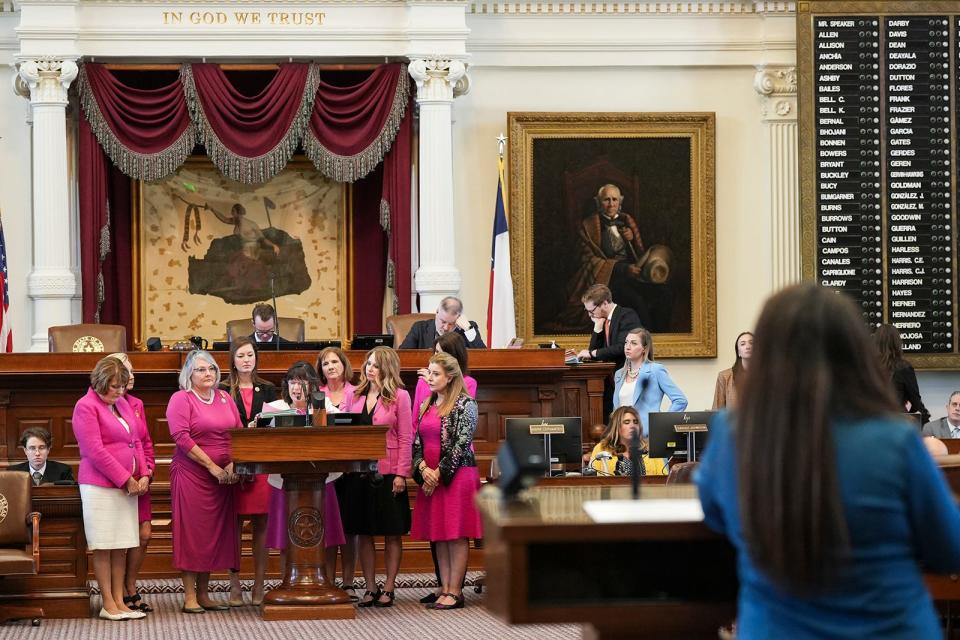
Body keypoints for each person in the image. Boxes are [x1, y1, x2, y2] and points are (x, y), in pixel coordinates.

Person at [696, 283, 960, 638]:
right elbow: (948, 549)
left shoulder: (732, 434)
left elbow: (716, 523)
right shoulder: (894, 438)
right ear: (854, 352)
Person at [72, 356, 147, 621]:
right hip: (100, 486)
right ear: (100, 382)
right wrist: (126, 478)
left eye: (122, 386)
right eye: (114, 386)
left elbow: (136, 440)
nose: (119, 391)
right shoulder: (86, 407)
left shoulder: (123, 403)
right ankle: (107, 603)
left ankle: (120, 601)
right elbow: (95, 451)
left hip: (129, 486)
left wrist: (145, 473)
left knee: (121, 545)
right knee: (104, 545)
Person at [166, 350, 241, 613]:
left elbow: (237, 433)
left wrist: (232, 462)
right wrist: (211, 466)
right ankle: (189, 597)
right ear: (189, 374)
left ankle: (205, 594)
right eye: (200, 369)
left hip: (224, 477)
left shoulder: (224, 397)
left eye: (210, 368)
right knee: (193, 535)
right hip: (192, 474)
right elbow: (181, 437)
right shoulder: (181, 399)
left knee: (213, 535)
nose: (207, 373)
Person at [411, 352, 483, 610]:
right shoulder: (426, 403)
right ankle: (444, 588)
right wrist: (422, 470)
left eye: (435, 373)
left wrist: (438, 474)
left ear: (450, 376)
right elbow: (416, 441)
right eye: (429, 372)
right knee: (439, 533)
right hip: (430, 476)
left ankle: (456, 590)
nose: (429, 378)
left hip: (457, 476)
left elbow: (461, 445)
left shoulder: (466, 404)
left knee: (455, 533)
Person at [262, 362, 347, 579]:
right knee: (286, 537)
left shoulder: (324, 406)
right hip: (285, 482)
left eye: (302, 382)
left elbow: (344, 429)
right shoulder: (274, 408)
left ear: (313, 386)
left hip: (321, 481)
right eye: (292, 382)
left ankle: (327, 582)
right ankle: (287, 580)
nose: (296, 387)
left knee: (325, 537)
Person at [348, 346, 413, 608]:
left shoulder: (400, 396)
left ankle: (389, 587)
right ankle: (370, 586)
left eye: (375, 365)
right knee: (364, 531)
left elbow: (407, 437)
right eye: (368, 364)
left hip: (388, 472)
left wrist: (401, 473)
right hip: (359, 472)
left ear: (387, 368)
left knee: (391, 532)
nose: (369, 369)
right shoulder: (354, 394)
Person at [566, 184, 672, 331]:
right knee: (636, 301)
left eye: (614, 199)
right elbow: (587, 260)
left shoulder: (628, 221)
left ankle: (663, 340)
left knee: (663, 293)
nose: (611, 204)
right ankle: (646, 339)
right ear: (598, 202)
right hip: (609, 280)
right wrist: (621, 268)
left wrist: (632, 239)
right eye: (606, 200)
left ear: (620, 202)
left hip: (635, 274)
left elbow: (639, 253)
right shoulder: (588, 227)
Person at [222, 337, 277, 607]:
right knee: (234, 526)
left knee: (261, 526)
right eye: (241, 355)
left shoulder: (268, 390)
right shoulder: (221, 389)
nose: (246, 360)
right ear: (232, 359)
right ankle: (234, 585)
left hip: (261, 465)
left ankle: (258, 583)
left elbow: (278, 424)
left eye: (250, 355)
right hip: (230, 462)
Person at [109, 353, 156, 615]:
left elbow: (145, 442)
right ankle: (119, 592)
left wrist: (147, 473)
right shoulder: (102, 403)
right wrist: (125, 478)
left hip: (141, 481)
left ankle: (130, 583)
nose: (132, 375)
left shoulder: (136, 404)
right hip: (116, 481)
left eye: (132, 370)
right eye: (126, 370)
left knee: (144, 534)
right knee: (118, 539)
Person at [613, 326, 686, 475]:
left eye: (633, 343)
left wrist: (660, 426)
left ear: (644, 348)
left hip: (648, 439)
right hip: (623, 442)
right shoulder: (619, 374)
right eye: (626, 342)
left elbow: (680, 400)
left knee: (654, 483)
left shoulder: (655, 370)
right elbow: (617, 408)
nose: (628, 347)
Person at [316, 347, 358, 597]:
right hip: (324, 470)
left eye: (334, 361)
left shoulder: (357, 392)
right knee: (328, 527)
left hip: (350, 468)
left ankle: (349, 582)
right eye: (325, 363)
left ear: (343, 365)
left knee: (350, 528)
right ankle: (328, 581)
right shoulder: (316, 394)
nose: (330, 366)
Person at [575, 284, 642, 369]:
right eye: (587, 311)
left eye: (591, 311)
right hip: (609, 375)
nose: (589, 315)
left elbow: (623, 347)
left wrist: (592, 353)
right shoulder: (602, 320)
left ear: (605, 304)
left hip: (626, 374)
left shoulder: (627, 315)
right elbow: (593, 352)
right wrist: (597, 329)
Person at [874, 323, 930, 424]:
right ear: (897, 343)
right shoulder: (903, 367)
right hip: (895, 423)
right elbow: (916, 402)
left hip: (870, 423)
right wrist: (927, 423)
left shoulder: (865, 366)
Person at [399, 296, 486, 349]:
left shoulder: (468, 328)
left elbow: (484, 356)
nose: (446, 328)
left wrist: (468, 329)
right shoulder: (419, 328)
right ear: (437, 312)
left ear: (459, 318)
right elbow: (403, 356)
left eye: (451, 323)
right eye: (443, 322)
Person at [588, 406, 649, 476]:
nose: (632, 426)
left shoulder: (648, 449)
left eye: (635, 422)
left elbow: (662, 479)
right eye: (626, 422)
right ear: (616, 427)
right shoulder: (602, 448)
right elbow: (594, 480)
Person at [712, 331, 753, 410]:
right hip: (732, 422)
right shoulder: (725, 376)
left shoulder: (767, 375)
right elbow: (717, 411)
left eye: (751, 343)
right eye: (743, 344)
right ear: (738, 352)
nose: (748, 346)